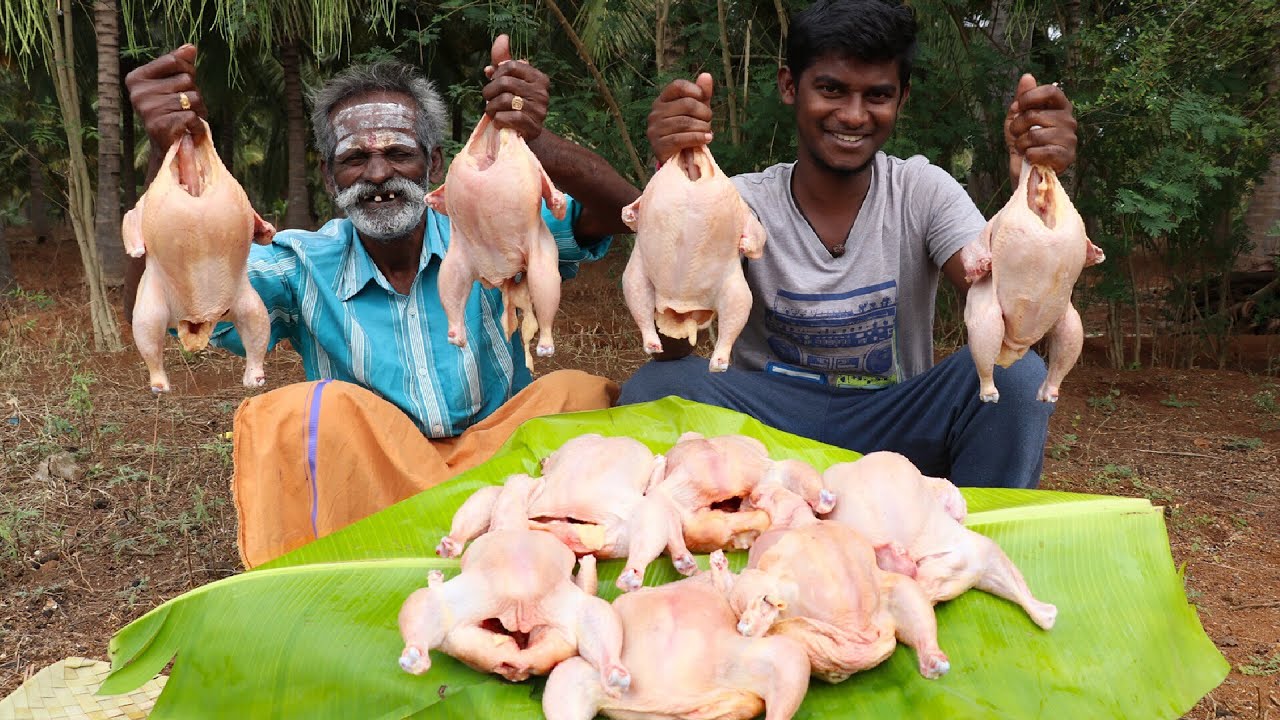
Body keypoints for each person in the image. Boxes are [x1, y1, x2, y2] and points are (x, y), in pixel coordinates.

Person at [123, 36, 640, 568]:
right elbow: (165, 306)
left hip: (503, 471)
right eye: (354, 159)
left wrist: (534, 141)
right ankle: (321, 593)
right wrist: (169, 157)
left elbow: (626, 214)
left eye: (398, 153)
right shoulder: (302, 264)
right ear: (328, 176)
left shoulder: (489, 224)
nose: (377, 175)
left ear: (434, 164)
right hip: (375, 492)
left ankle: (575, 564)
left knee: (577, 394)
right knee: (289, 414)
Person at [619, 0, 1080, 489]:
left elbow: (1013, 318)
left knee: (1014, 377)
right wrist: (671, 179)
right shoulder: (740, 199)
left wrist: (1029, 197)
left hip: (893, 424)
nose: (854, 115)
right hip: (762, 423)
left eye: (877, 95)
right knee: (658, 386)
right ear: (789, 87)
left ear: (902, 98)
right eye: (831, 89)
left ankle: (973, 548)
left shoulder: (924, 191)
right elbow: (672, 340)